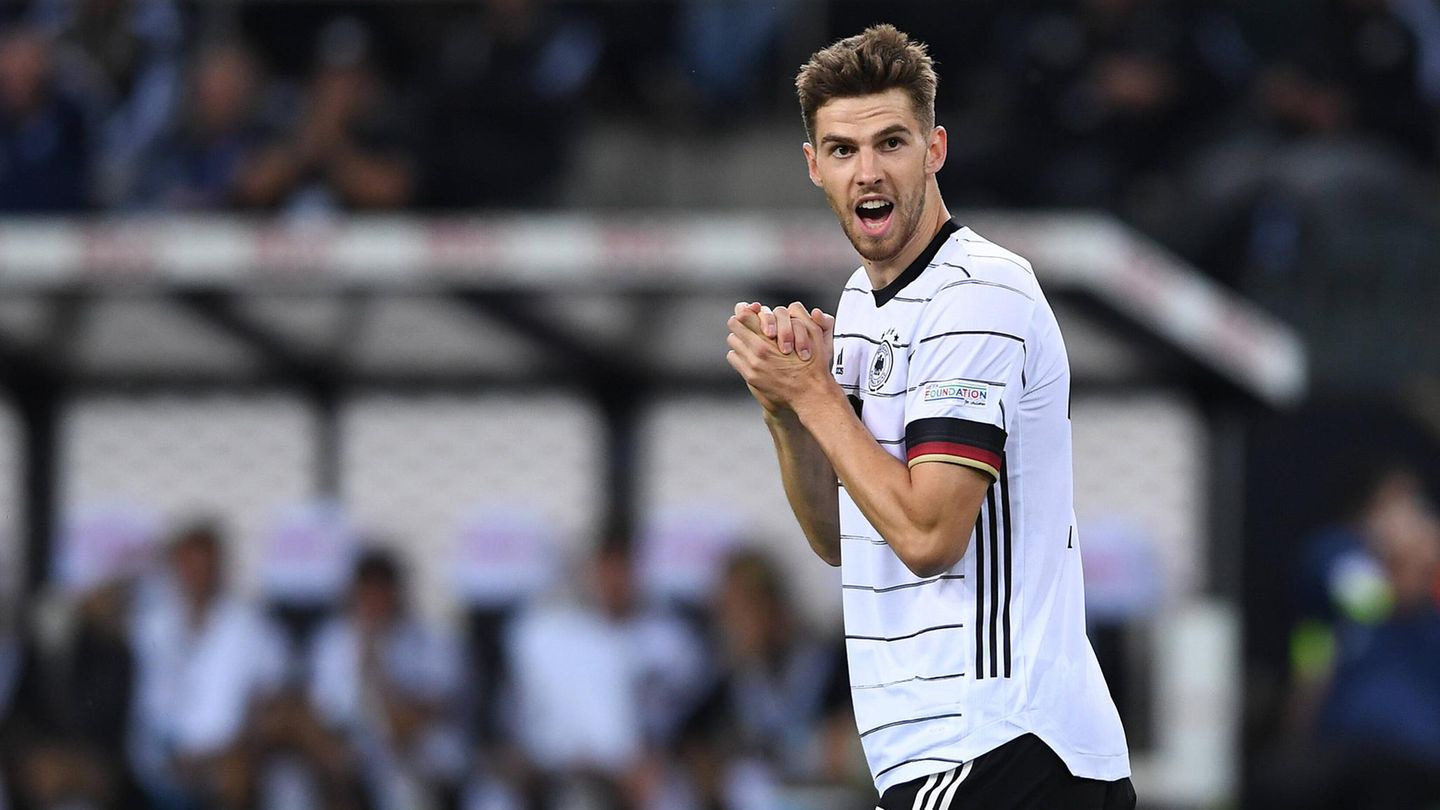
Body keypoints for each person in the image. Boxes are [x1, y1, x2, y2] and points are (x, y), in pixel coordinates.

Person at [722, 25, 1134, 809]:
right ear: (813, 166)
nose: (868, 171)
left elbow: (928, 536)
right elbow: (839, 537)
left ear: (934, 149)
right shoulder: (860, 303)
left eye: (891, 143)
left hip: (1000, 742)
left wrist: (814, 394)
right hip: (943, 754)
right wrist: (786, 412)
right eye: (843, 150)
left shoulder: (978, 294)